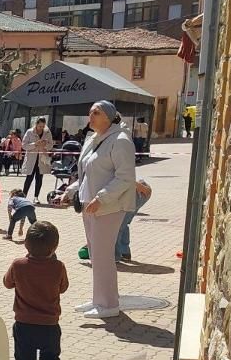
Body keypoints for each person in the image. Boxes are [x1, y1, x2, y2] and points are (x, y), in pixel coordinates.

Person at [70, 101, 138, 318]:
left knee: (103, 256)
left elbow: (125, 177)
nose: (91, 116)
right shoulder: (93, 139)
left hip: (109, 207)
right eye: (90, 112)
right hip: (90, 206)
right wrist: (71, 191)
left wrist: (102, 198)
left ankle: (108, 304)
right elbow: (87, 173)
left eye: (96, 113)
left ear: (108, 117)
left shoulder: (120, 140)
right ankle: (98, 299)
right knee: (95, 255)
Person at [3, 221, 68, 360]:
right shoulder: (58, 267)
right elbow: (63, 288)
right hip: (50, 324)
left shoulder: (18, 265)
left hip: (24, 324)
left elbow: (7, 283)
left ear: (26, 245)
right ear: (55, 247)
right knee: (50, 357)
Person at [116, 180, 152, 262]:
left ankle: (116, 255)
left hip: (137, 192)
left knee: (119, 226)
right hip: (139, 191)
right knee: (122, 224)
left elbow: (127, 177)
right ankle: (124, 253)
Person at [21, 118, 54, 200]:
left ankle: (36, 197)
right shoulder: (29, 132)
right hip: (31, 159)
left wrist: (45, 145)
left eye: (43, 126)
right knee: (29, 178)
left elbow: (51, 145)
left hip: (41, 159)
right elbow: (24, 145)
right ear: (36, 124)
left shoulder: (47, 132)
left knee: (39, 178)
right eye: (40, 126)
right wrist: (35, 144)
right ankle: (23, 197)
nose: (41, 128)